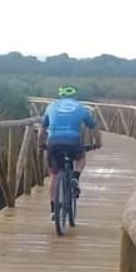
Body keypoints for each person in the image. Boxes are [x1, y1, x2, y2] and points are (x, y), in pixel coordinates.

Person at [38, 85, 99, 220]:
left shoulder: (51, 107)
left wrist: (41, 143)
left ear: (60, 96)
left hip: (54, 142)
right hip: (73, 141)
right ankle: (75, 178)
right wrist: (98, 143)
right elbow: (94, 127)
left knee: (54, 175)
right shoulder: (81, 108)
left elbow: (42, 129)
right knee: (80, 158)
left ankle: (53, 210)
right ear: (75, 96)